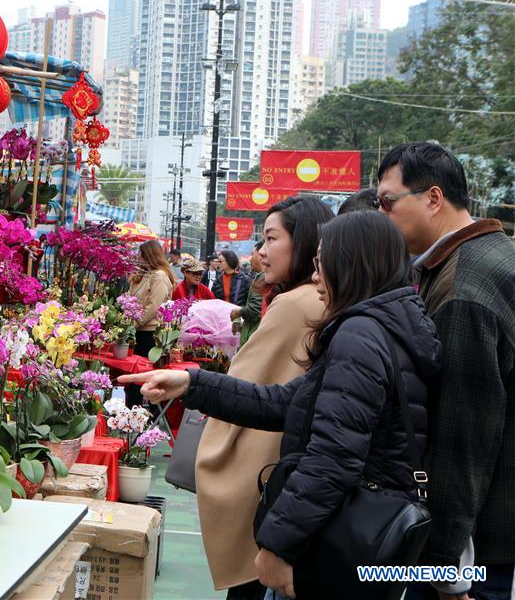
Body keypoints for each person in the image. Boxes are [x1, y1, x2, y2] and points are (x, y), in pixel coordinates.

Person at [120, 211, 441, 600]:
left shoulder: (360, 335)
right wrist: (192, 382)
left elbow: (332, 457)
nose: (317, 276)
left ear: (351, 265)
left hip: (334, 538)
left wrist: (277, 544)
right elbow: (288, 401)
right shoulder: (393, 326)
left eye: (324, 264)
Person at [377, 142, 515, 600]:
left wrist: (445, 570)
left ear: (433, 199)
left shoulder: (464, 287)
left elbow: (463, 436)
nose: (382, 215)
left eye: (387, 202)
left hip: (475, 546)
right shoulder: (484, 257)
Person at [191, 197, 334, 600]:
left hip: (270, 482)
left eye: (271, 239)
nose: (261, 252)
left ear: (304, 244)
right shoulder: (324, 303)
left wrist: (199, 390)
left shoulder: (293, 304)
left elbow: (245, 386)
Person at [126, 240, 177, 407]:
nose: (138, 257)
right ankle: (132, 412)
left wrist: (134, 323)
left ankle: (145, 416)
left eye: (141, 254)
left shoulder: (159, 276)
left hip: (150, 333)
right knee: (133, 378)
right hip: (138, 331)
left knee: (144, 378)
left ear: (148, 255)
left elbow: (153, 307)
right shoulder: (145, 275)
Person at [232, 241, 266, 347]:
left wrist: (238, 312)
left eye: (252, 254)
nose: (250, 258)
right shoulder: (259, 276)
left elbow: (254, 311)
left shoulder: (262, 278)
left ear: (262, 254)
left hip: (253, 342)